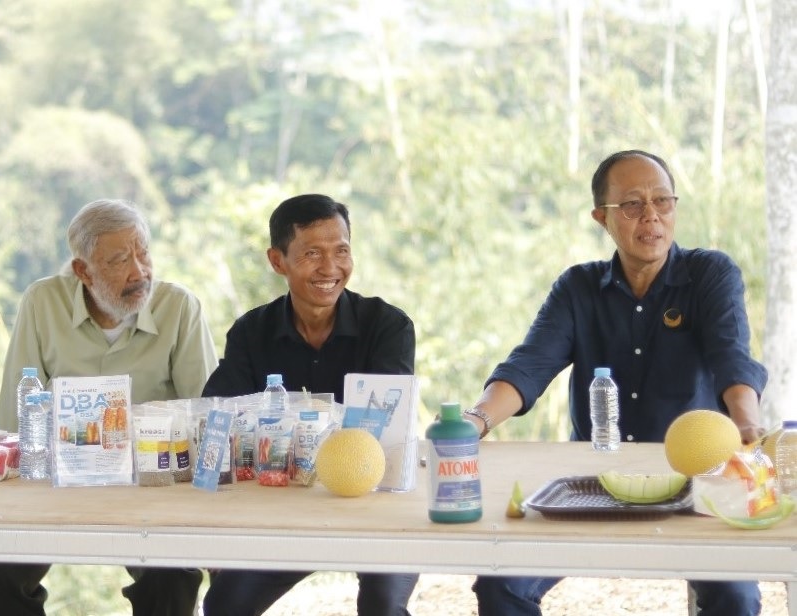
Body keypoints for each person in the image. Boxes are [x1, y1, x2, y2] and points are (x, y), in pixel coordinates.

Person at [465, 150, 768, 616]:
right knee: (500, 582)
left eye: (662, 201)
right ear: (601, 218)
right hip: (592, 482)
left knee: (736, 597)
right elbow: (528, 366)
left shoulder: (710, 273)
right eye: (632, 204)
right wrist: (475, 421)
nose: (651, 216)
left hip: (697, 481)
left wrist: (747, 424)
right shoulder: (578, 287)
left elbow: (732, 358)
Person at [0, 198, 219, 616]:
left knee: (173, 577)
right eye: (121, 259)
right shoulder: (42, 302)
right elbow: (17, 415)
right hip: (59, 483)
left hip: (151, 485)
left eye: (143, 253)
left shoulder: (179, 307)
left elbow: (204, 419)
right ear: (83, 271)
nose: (139, 271)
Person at [201, 193, 419, 616]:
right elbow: (218, 413)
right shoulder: (251, 332)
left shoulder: (388, 326)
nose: (330, 268)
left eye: (341, 251)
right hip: (282, 513)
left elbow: (385, 420)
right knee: (224, 605)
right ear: (277, 260)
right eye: (312, 254)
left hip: (373, 509)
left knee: (383, 607)